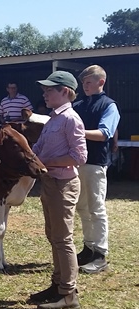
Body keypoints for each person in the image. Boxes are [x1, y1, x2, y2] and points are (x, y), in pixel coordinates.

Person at [29, 71, 87, 309]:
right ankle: (58, 285)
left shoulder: (71, 119)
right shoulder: (53, 119)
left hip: (63, 184)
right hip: (51, 183)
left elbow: (79, 156)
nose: (45, 93)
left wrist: (45, 163)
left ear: (65, 92)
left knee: (63, 239)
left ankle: (69, 293)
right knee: (54, 236)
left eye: (50, 90)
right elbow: (39, 148)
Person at [73, 65, 120, 274]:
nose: (85, 86)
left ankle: (100, 254)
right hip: (78, 163)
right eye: (83, 83)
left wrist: (77, 131)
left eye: (88, 82)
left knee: (97, 208)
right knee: (82, 207)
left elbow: (104, 133)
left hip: (95, 163)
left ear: (101, 82)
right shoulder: (79, 105)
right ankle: (88, 248)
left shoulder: (109, 106)